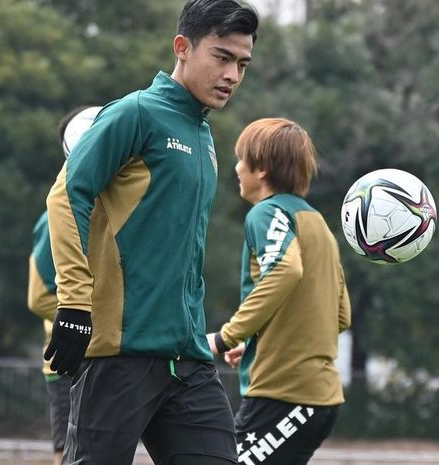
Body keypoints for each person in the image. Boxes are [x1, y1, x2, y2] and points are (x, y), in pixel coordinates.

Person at [44, 1, 259, 464]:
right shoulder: (134, 113)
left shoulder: (203, 135)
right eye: (221, 57)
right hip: (120, 353)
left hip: (189, 359)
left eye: (242, 64)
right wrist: (75, 303)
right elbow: (66, 198)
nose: (232, 75)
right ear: (182, 47)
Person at [207, 117, 352, 465]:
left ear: (261, 170)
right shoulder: (317, 223)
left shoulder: (266, 213)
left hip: (285, 395)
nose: (237, 168)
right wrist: (265, 342)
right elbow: (341, 315)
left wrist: (226, 337)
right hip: (320, 400)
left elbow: (284, 270)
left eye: (242, 159)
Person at [27, 105, 100, 465]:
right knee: (67, 454)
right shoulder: (55, 214)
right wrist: (81, 314)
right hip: (66, 358)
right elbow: (38, 295)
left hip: (107, 355)